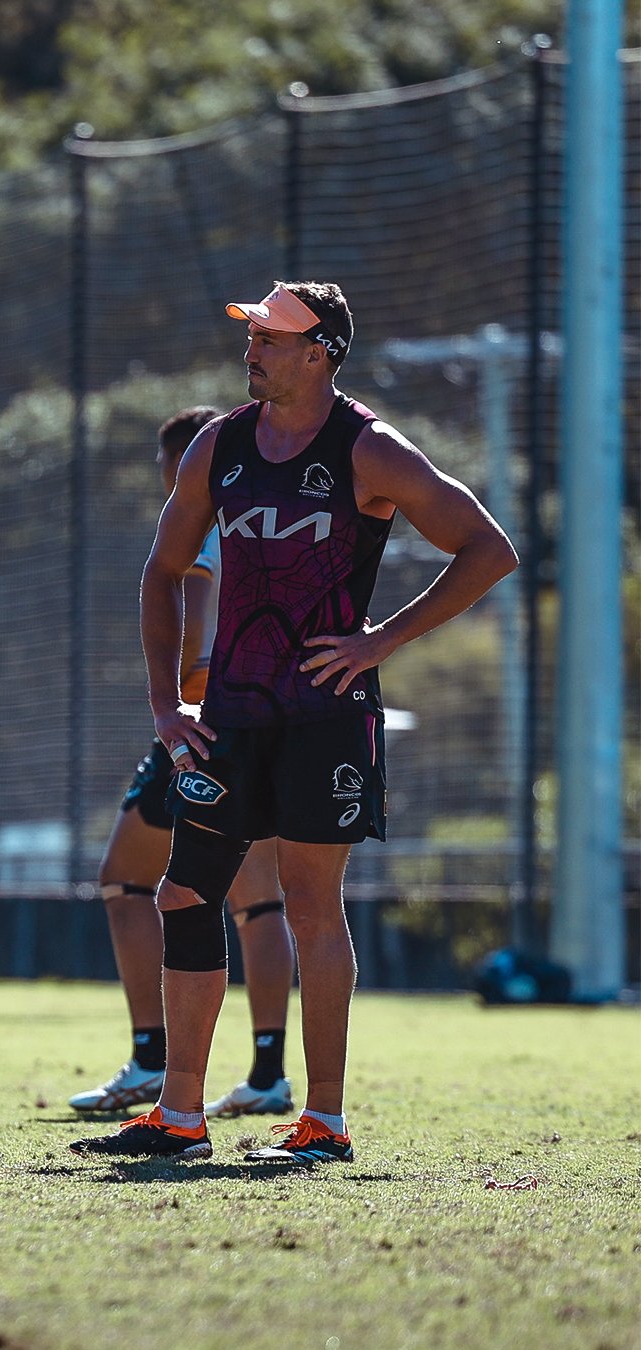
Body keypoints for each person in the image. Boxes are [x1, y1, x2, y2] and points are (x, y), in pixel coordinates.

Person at [73, 282, 515, 1164]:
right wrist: (168, 703)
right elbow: (163, 573)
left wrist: (378, 640)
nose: (254, 350)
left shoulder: (369, 448)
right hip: (228, 717)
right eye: (253, 336)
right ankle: (181, 1116)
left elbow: (489, 549)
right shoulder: (219, 445)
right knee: (184, 895)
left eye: (272, 338)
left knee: (313, 907)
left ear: (320, 352)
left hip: (325, 718)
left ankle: (324, 1121)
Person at [68, 408, 296, 1121]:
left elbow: (194, 614)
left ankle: (151, 1058)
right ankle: (266, 1073)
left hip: (206, 725)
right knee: (260, 904)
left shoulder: (200, 520)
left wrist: (186, 695)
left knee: (125, 881)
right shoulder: (266, 509)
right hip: (272, 717)